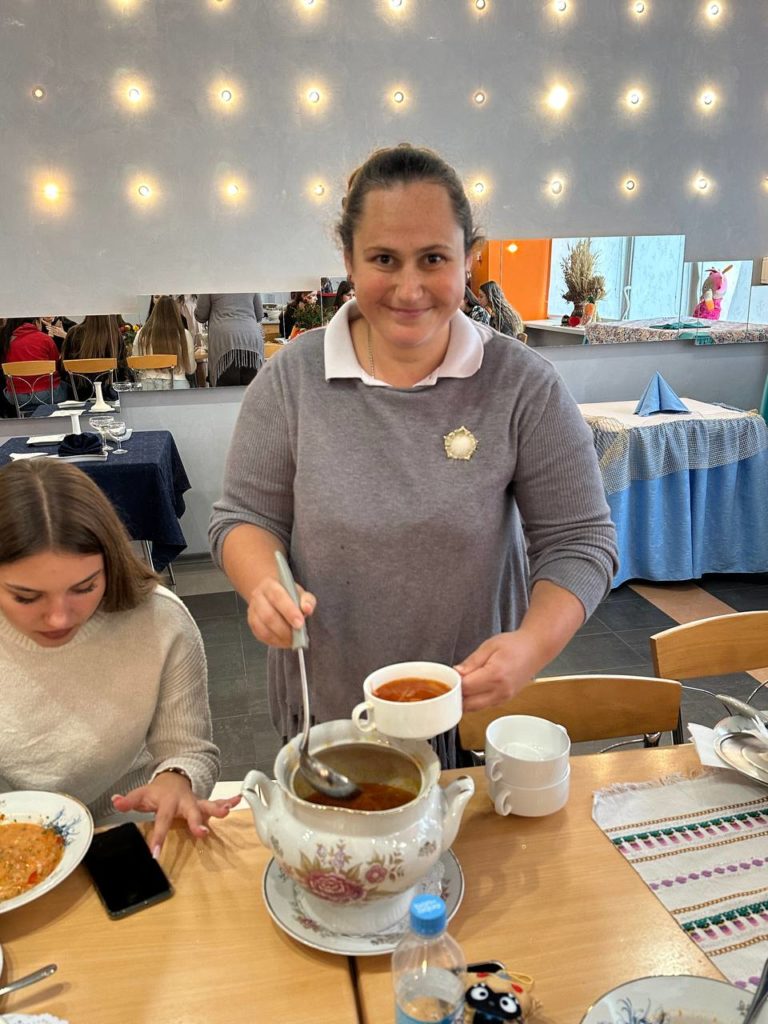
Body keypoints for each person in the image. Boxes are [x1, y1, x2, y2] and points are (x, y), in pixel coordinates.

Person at [209, 144, 617, 767]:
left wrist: (531, 646)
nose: (409, 288)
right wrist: (264, 584)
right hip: (330, 708)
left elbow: (581, 540)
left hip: (472, 712)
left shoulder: (522, 385)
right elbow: (244, 517)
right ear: (348, 259)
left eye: (433, 259)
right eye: (383, 259)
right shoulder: (291, 380)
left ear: (469, 257)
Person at [0, 459, 238, 854]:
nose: (59, 617)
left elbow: (187, 749)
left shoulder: (159, 622)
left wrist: (176, 779)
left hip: (124, 821)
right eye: (26, 597)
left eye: (84, 588)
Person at [194, 293, 263, 387]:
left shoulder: (210, 285)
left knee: (225, 390)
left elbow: (201, 315)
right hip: (251, 340)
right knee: (250, 389)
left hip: (224, 341)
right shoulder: (250, 283)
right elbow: (259, 315)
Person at [0, 316, 66, 407]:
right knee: (68, 386)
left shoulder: (7, 341)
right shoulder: (46, 339)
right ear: (36, 322)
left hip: (16, 397)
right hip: (48, 394)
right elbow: (56, 364)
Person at [134, 295, 196, 389]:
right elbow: (190, 369)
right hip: (177, 384)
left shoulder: (141, 334)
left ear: (154, 312)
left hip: (148, 384)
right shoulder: (184, 334)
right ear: (175, 313)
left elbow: (136, 363)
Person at [61, 314, 131, 395]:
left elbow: (63, 368)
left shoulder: (73, 333)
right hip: (109, 393)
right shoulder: (114, 336)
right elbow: (122, 369)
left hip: (78, 393)